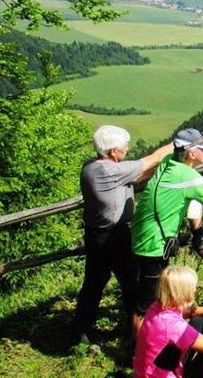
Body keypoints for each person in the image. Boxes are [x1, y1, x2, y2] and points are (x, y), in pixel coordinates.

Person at [130, 127, 203, 332]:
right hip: (154, 245)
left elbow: (165, 153)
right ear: (191, 154)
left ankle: (156, 335)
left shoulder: (168, 162)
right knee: (144, 305)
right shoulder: (189, 177)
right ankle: (139, 347)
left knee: (150, 293)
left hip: (140, 233)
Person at [72, 125, 173, 346]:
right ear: (112, 152)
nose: (127, 149)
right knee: (129, 282)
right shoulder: (109, 170)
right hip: (112, 237)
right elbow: (153, 159)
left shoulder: (91, 166)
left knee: (95, 283)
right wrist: (176, 144)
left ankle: (81, 332)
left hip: (97, 234)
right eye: (124, 147)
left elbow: (136, 176)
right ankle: (137, 331)